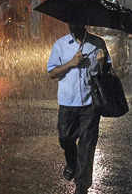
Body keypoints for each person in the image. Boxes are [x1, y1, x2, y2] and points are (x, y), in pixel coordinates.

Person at [47, 24, 112, 194]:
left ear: (84, 23)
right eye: (71, 22)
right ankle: (72, 163)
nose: (73, 25)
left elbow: (108, 70)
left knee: (87, 146)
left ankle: (82, 186)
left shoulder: (97, 43)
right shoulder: (60, 44)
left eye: (77, 21)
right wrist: (71, 63)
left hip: (90, 105)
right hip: (67, 103)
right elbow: (52, 73)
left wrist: (102, 62)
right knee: (65, 138)